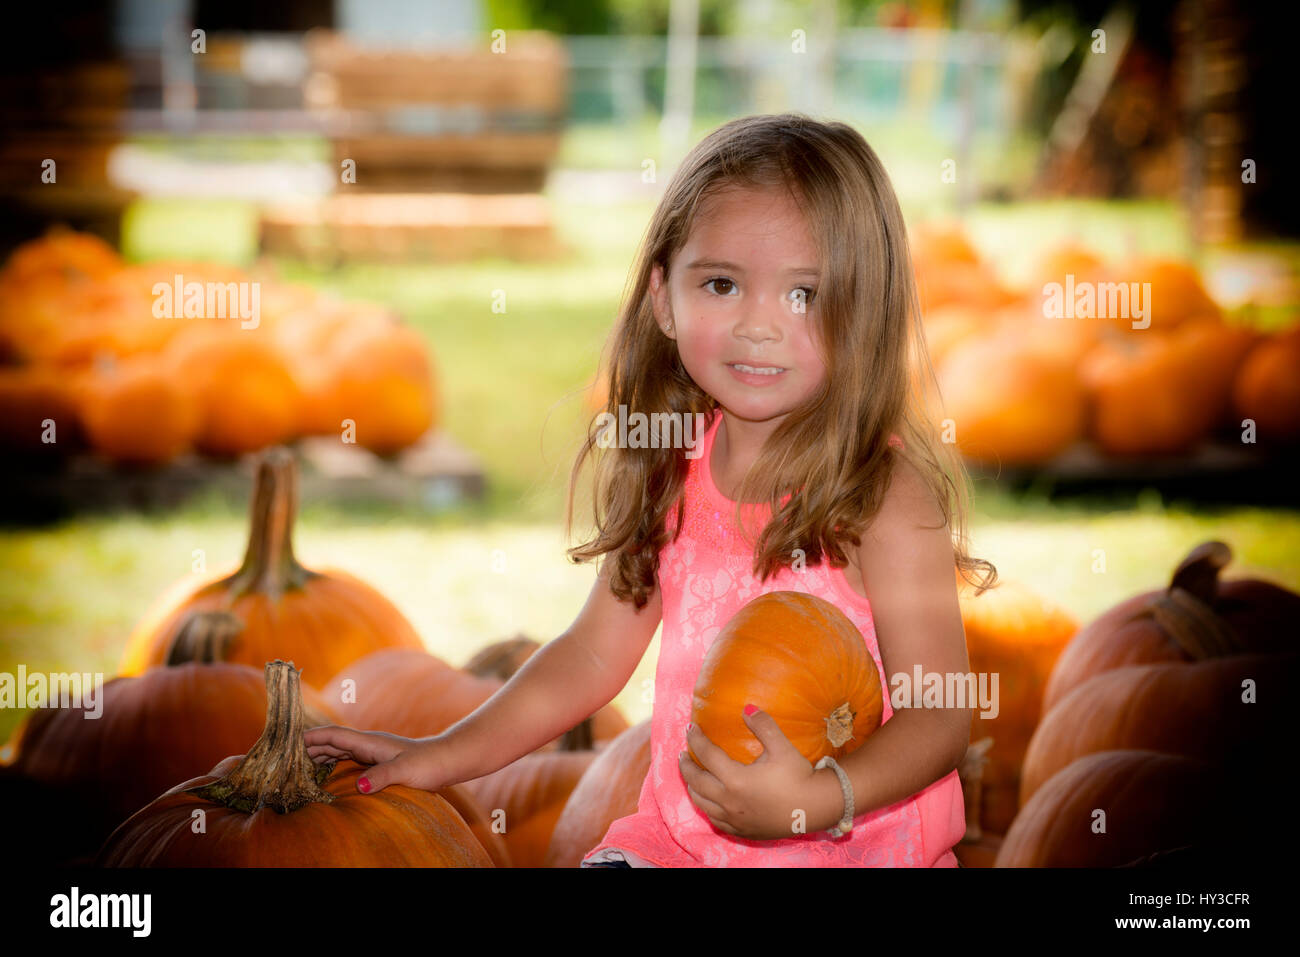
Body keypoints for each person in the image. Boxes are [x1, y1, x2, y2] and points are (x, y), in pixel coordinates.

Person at [305, 112, 996, 867]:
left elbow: (939, 713)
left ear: (865, 310)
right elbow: (591, 655)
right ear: (665, 297)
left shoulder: (884, 499)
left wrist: (815, 797)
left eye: (804, 294)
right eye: (724, 283)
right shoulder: (672, 471)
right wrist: (438, 754)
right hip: (681, 849)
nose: (759, 325)